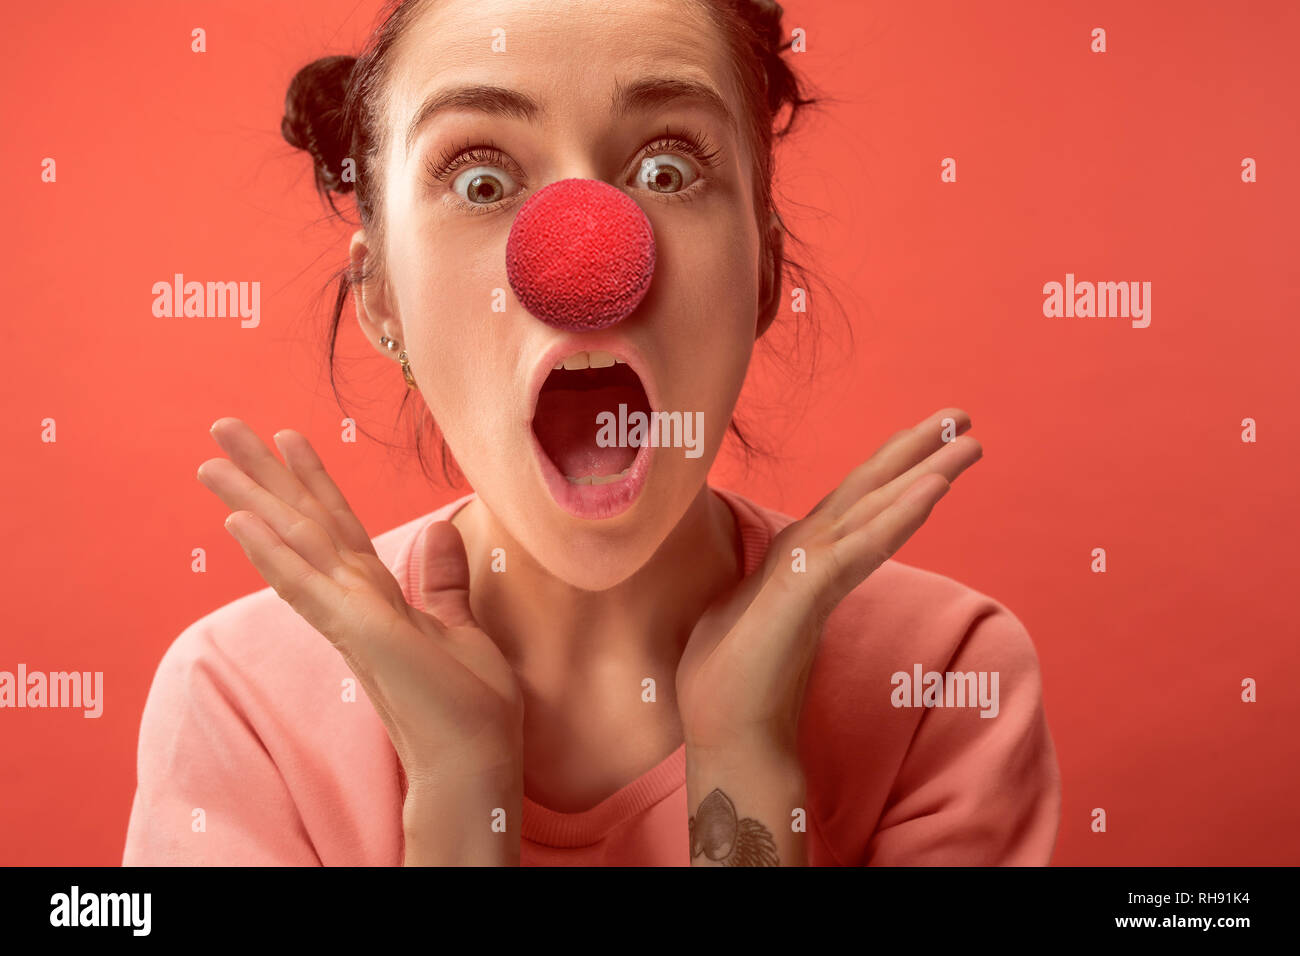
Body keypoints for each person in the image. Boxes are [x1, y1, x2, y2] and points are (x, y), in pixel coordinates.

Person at [123, 0, 1060, 866]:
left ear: (765, 270)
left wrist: (744, 758)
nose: (585, 256)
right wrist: (458, 793)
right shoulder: (242, 701)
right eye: (481, 179)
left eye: (667, 169)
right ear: (381, 297)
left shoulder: (940, 677)